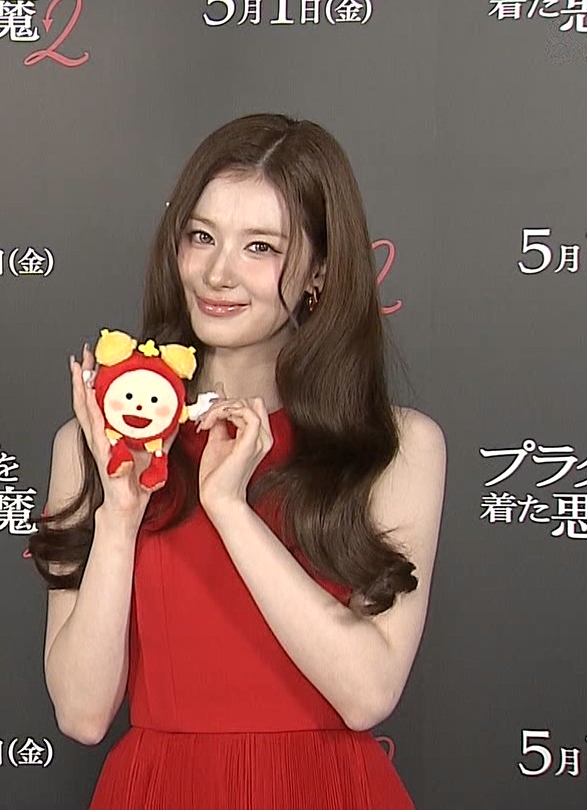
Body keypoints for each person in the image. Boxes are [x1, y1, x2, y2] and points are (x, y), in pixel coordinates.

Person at [30, 113, 446, 810]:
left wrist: (229, 509)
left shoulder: (396, 446)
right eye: (201, 236)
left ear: (318, 271)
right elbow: (81, 713)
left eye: (260, 247)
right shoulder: (96, 443)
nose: (218, 273)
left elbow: (368, 692)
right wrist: (120, 518)